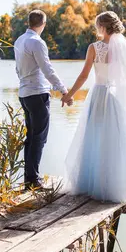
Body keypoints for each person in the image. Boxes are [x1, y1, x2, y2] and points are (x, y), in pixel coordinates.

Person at [62, 11, 126, 203]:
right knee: (115, 140)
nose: (97, 29)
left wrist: (69, 95)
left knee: (95, 137)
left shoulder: (95, 48)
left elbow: (83, 76)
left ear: (103, 27)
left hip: (99, 96)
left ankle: (93, 183)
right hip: (118, 99)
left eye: (98, 25)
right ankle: (116, 186)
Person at [14, 10, 73, 191]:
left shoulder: (19, 40)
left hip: (24, 94)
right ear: (43, 24)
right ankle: (34, 180)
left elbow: (18, 69)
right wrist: (64, 90)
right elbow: (47, 70)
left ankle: (29, 179)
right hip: (37, 94)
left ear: (29, 22)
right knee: (39, 138)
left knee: (31, 138)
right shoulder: (37, 42)